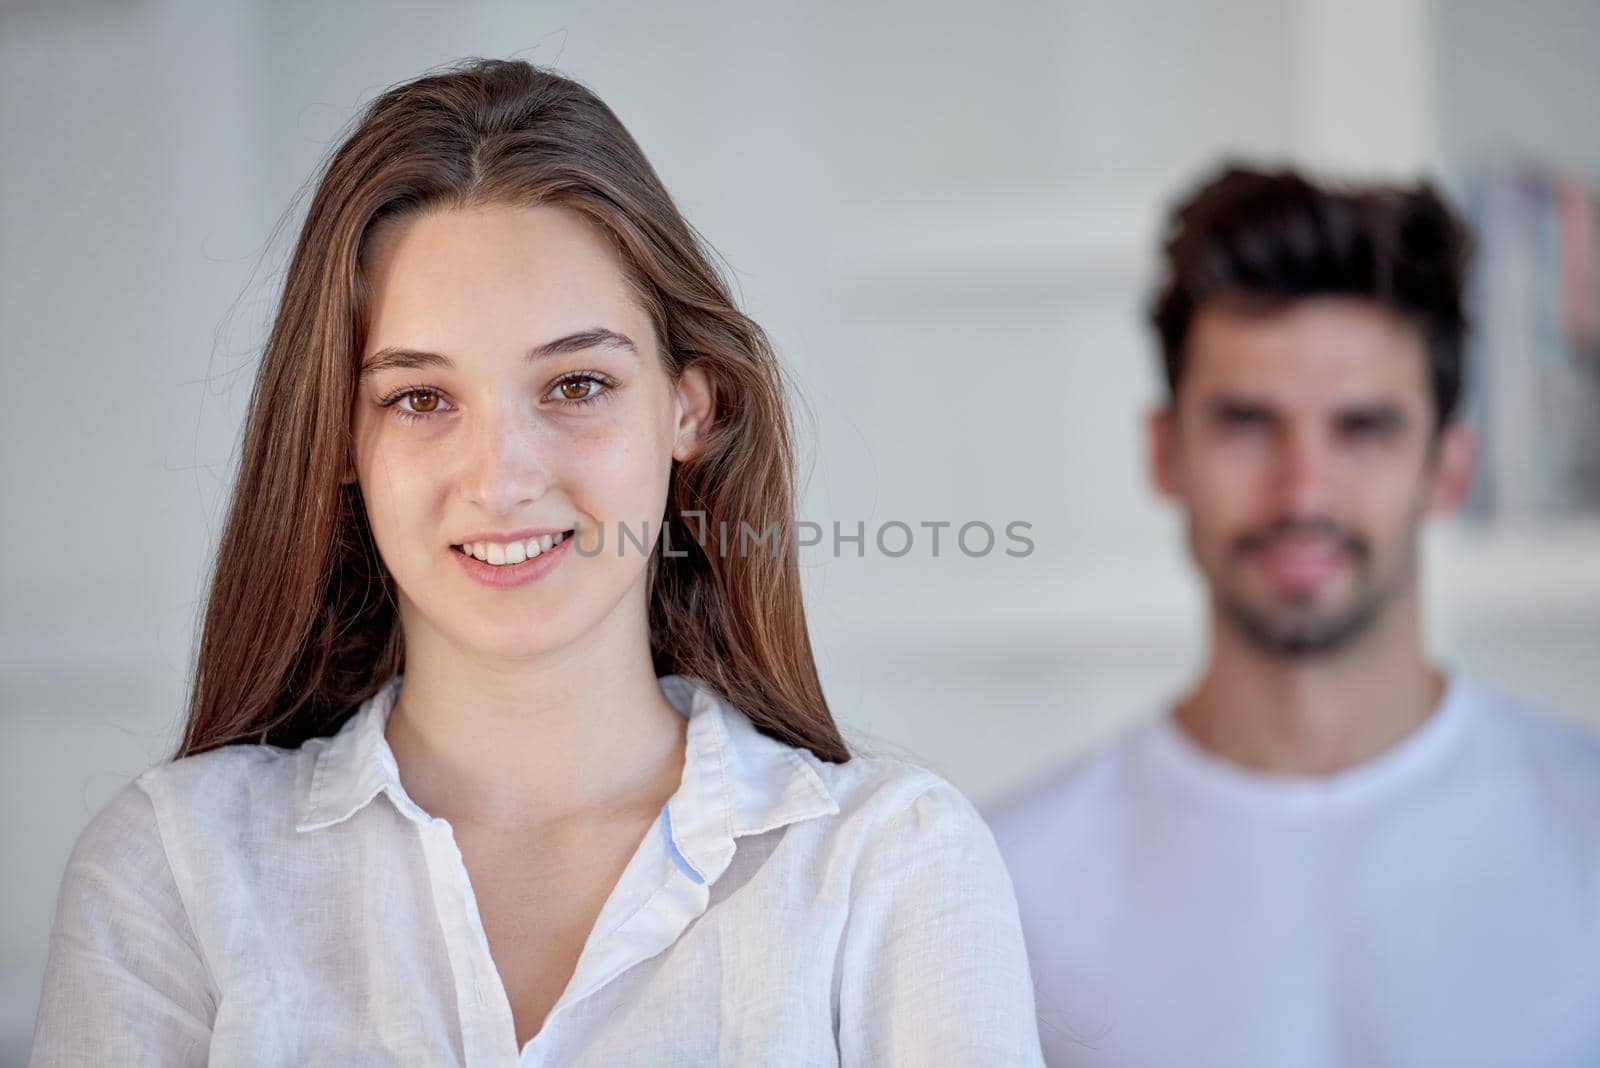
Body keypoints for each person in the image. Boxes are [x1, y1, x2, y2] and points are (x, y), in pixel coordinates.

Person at [30, 59, 1043, 1066]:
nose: (502, 479)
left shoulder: (889, 869)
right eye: (420, 398)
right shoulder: (174, 871)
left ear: (691, 407)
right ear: (339, 442)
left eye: (575, 384)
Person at [987, 165, 1600, 1066]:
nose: (1302, 490)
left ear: (1450, 469)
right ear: (1165, 453)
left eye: (1363, 428)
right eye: (1245, 422)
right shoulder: (1007, 883)